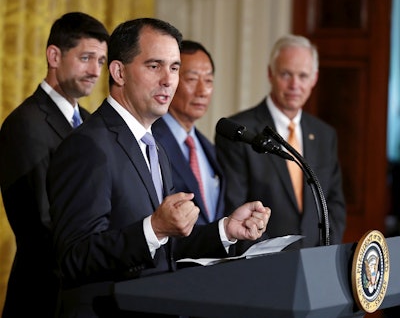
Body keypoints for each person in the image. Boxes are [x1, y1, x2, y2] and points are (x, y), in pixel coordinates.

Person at [46, 18, 271, 318]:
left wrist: (226, 230)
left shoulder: (154, 146)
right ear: (119, 72)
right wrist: (153, 228)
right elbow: (74, 257)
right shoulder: (88, 145)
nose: (168, 80)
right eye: (154, 66)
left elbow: (167, 247)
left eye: (174, 67)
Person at [0, 12, 109, 318]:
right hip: (45, 298)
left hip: (86, 293)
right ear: (54, 56)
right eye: (86, 58)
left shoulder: (91, 123)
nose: (94, 71)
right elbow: (39, 222)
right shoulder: (25, 123)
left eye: (101, 61)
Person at [215, 34, 346, 250]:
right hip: (264, 266)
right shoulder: (240, 131)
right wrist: (270, 258)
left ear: (314, 79)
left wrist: (326, 250)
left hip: (316, 260)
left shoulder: (324, 134)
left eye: (303, 76)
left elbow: (335, 204)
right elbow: (235, 204)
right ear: (270, 74)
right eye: (286, 74)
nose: (295, 84)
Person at [153, 40, 225, 225]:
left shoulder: (208, 148)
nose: (202, 91)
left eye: (208, 81)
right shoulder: (150, 139)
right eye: (192, 79)